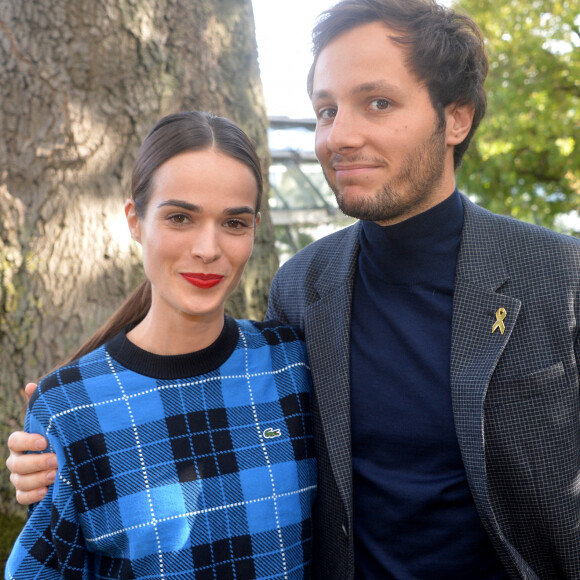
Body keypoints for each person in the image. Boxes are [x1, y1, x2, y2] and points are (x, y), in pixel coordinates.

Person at [7, 0, 580, 578]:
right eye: (327, 110)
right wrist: (67, 443)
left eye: (377, 103)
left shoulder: (560, 276)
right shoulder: (304, 288)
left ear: (456, 118)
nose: (341, 136)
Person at [5, 111, 316, 579]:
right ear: (135, 219)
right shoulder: (68, 407)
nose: (208, 248)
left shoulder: (294, 364)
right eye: (180, 217)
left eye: (233, 223)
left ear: (254, 227)